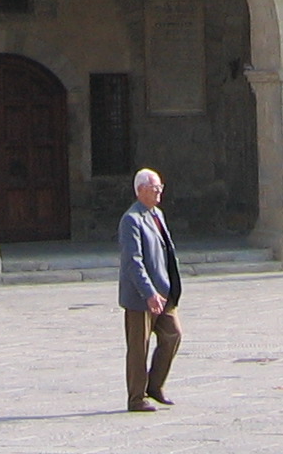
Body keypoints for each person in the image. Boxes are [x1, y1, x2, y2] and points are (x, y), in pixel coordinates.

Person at [116, 168, 182, 412]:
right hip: (140, 297)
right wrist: (148, 292)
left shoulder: (157, 215)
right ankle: (136, 398)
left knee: (173, 334)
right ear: (141, 189)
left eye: (160, 187)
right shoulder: (131, 220)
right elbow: (134, 260)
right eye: (155, 188)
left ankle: (154, 386)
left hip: (163, 293)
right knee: (138, 348)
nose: (159, 192)